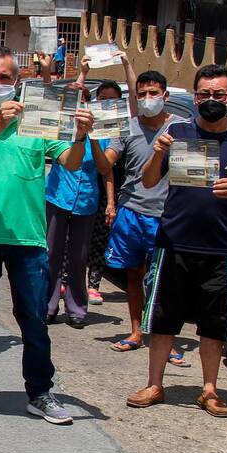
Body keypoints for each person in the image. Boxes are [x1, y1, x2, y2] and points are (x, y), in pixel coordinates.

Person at [0, 47, 94, 427]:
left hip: (28, 239)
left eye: (5, 78)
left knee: (33, 320)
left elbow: (71, 161)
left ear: (18, 81)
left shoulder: (38, 117)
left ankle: (40, 392)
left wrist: (79, 136)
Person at [127, 64, 227, 417]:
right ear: (194, 96)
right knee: (162, 318)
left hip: (221, 248)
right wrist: (158, 152)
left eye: (218, 94)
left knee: (215, 323)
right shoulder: (176, 130)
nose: (211, 100)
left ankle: (209, 389)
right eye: (204, 94)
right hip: (173, 242)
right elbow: (146, 181)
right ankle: (155, 384)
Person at [103, 69, 187, 366]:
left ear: (165, 96)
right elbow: (108, 163)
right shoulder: (127, 127)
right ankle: (136, 332)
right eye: (142, 94)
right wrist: (88, 138)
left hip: (167, 215)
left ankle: (167, 340)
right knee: (134, 275)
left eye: (154, 93)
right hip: (132, 210)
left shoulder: (183, 128)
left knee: (165, 281)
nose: (148, 99)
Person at [44, 117, 112, 329]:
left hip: (86, 200)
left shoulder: (104, 136)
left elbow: (106, 169)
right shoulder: (62, 127)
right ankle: (47, 306)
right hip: (58, 196)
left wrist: (111, 202)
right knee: (51, 253)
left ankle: (76, 309)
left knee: (79, 257)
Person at [83, 77, 123, 307]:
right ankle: (70, 284)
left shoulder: (115, 130)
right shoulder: (82, 122)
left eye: (112, 100)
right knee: (75, 244)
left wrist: (110, 202)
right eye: (103, 98)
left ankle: (93, 285)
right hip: (78, 191)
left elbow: (107, 170)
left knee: (99, 241)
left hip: (101, 190)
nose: (106, 103)